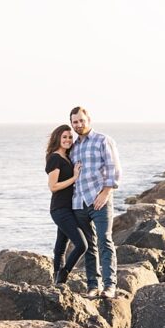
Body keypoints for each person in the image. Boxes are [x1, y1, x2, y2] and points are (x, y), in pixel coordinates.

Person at [69, 106, 122, 299]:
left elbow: (114, 168)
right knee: (89, 246)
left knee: (104, 241)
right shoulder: (73, 147)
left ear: (88, 120)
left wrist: (106, 192)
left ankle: (110, 286)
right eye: (75, 122)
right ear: (72, 124)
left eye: (81, 120)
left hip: (100, 200)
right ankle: (93, 286)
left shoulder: (103, 140)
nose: (79, 124)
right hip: (79, 202)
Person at [44, 125, 94, 288]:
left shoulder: (67, 157)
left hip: (70, 207)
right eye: (64, 137)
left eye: (70, 137)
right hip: (59, 209)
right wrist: (74, 177)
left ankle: (56, 279)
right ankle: (63, 274)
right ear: (58, 138)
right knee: (82, 245)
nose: (68, 140)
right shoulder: (54, 158)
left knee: (61, 245)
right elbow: (53, 186)